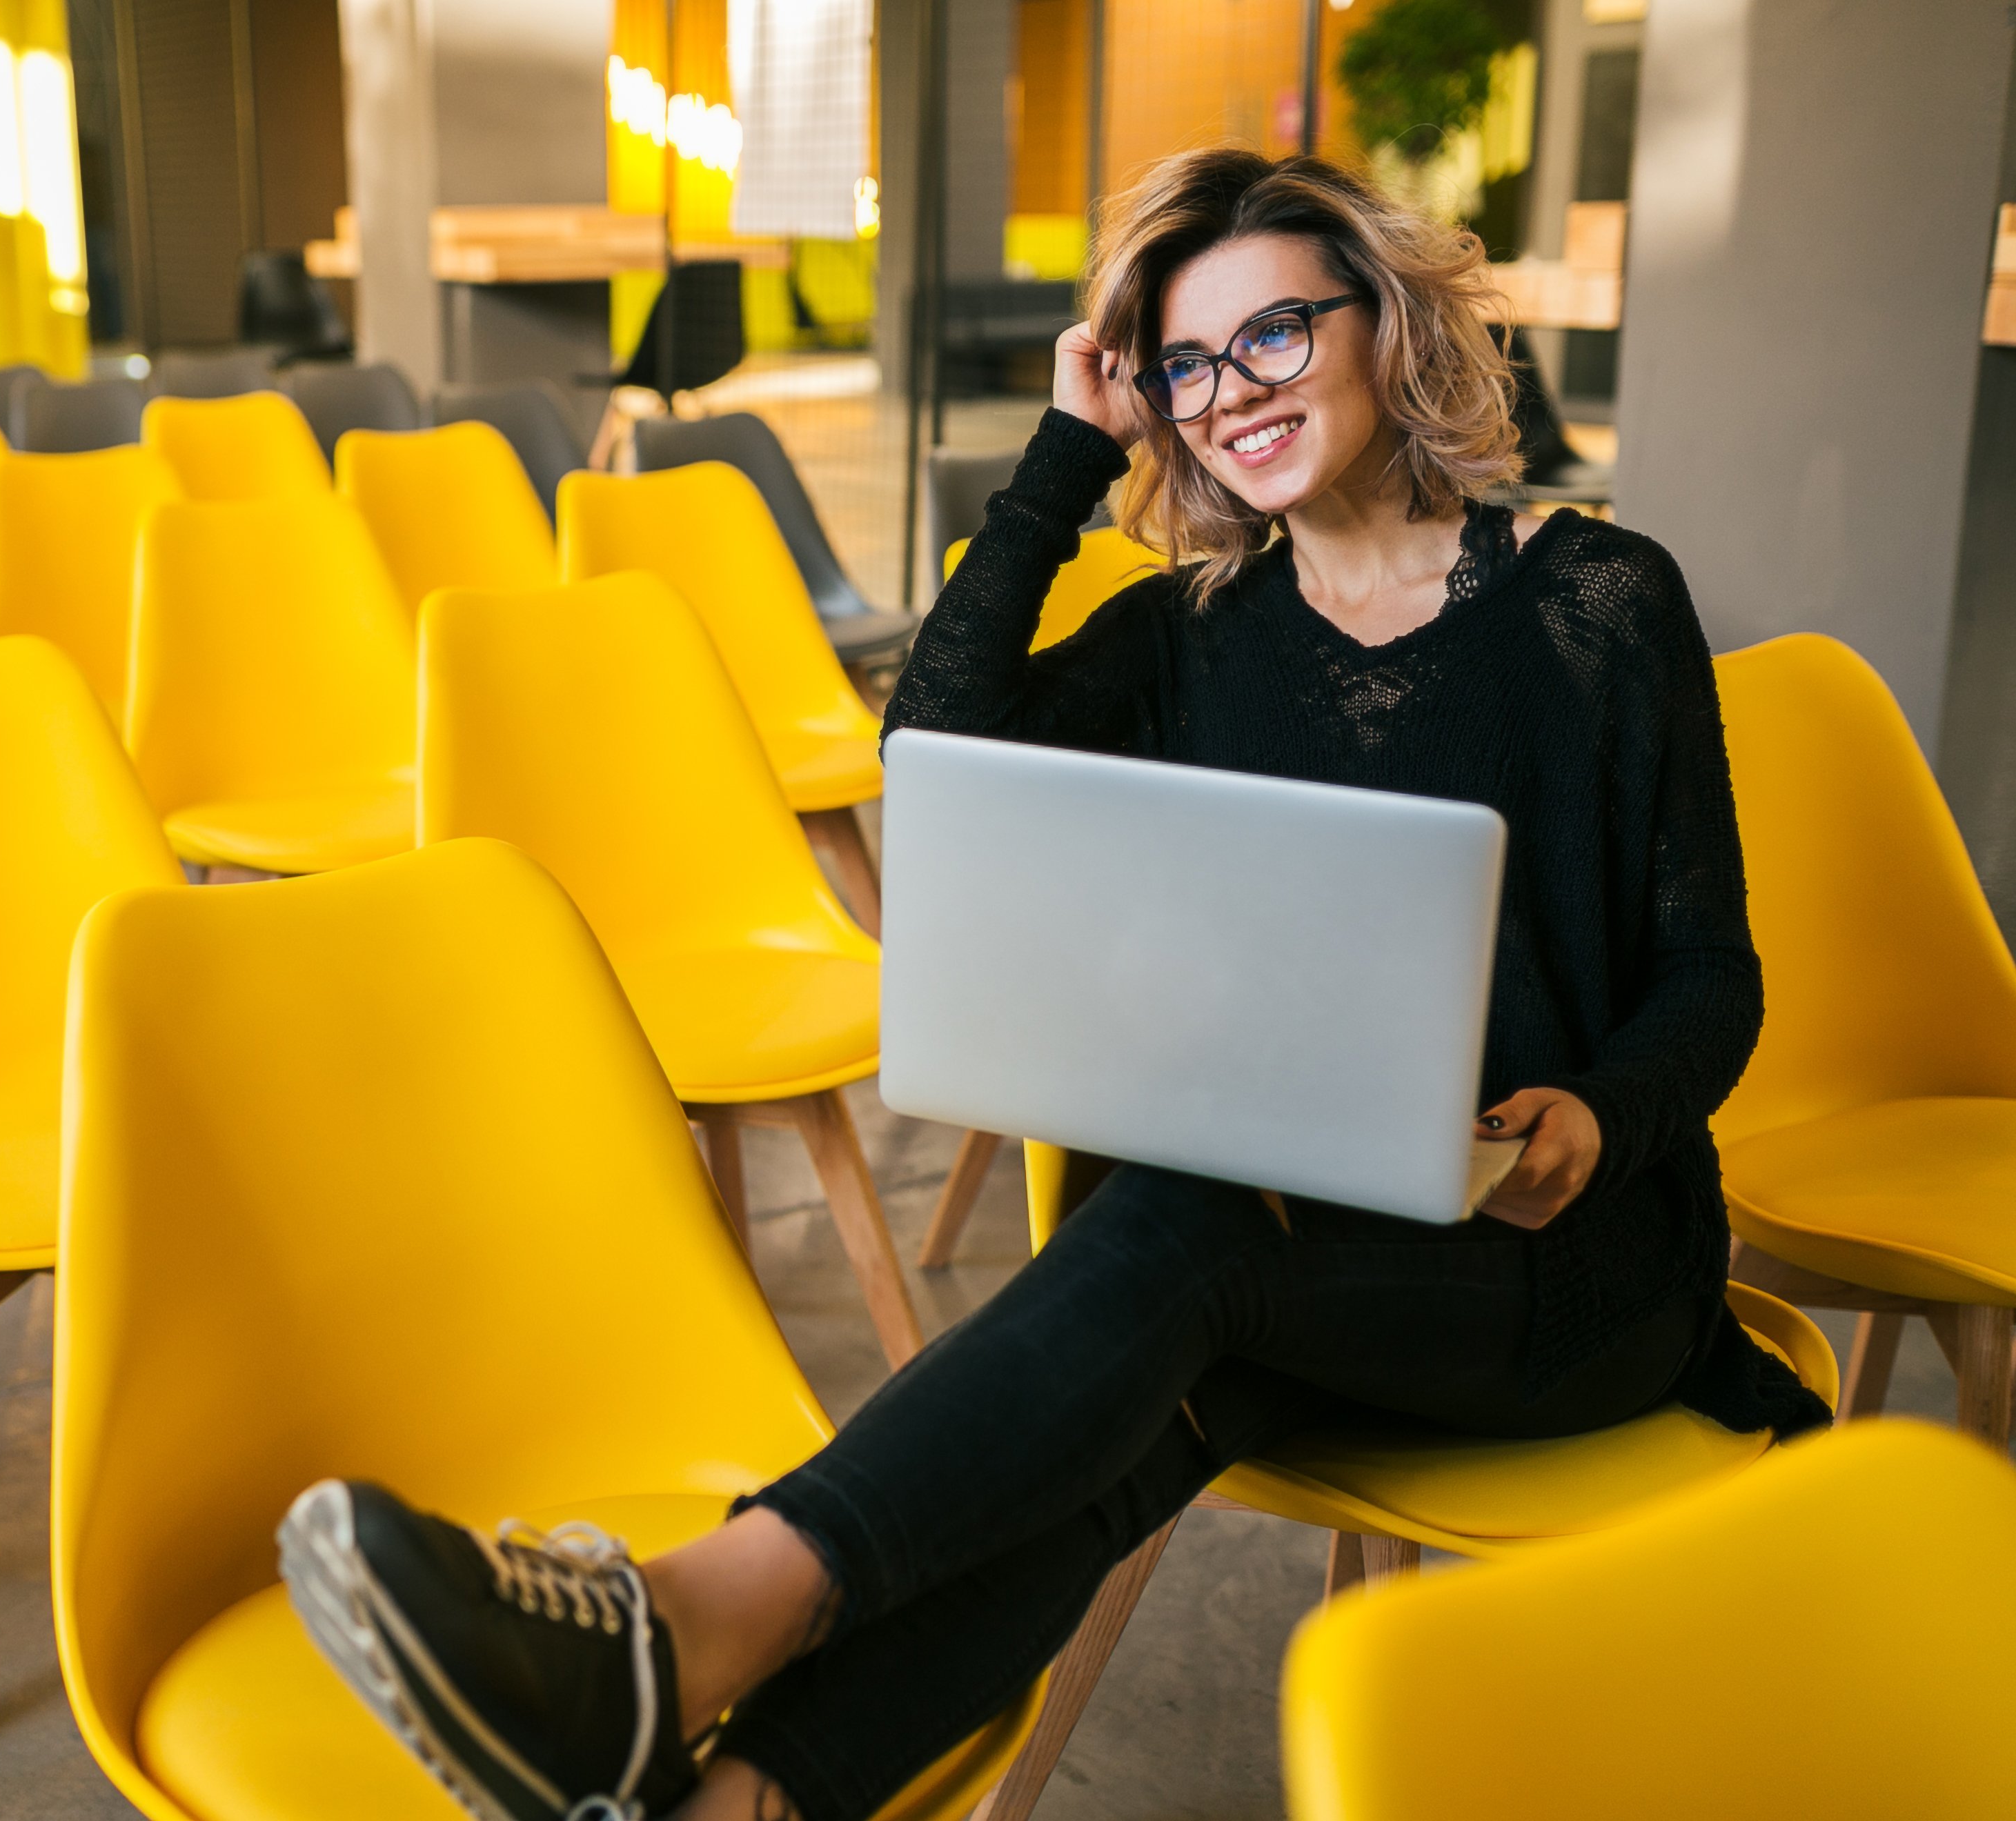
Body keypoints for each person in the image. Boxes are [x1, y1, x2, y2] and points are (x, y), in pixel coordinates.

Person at [275, 148, 1830, 1821]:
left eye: (1276, 336)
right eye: (1189, 363)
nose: (1232, 392)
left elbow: (1710, 974)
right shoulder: (1195, 632)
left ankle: (664, 1625)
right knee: (1119, 1419)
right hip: (1303, 1255)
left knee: (1178, 1243)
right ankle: (742, 1805)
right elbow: (933, 753)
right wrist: (1068, 455)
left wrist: (1599, 1112)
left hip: (1572, 1275)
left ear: (1384, 323)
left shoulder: (1601, 601)